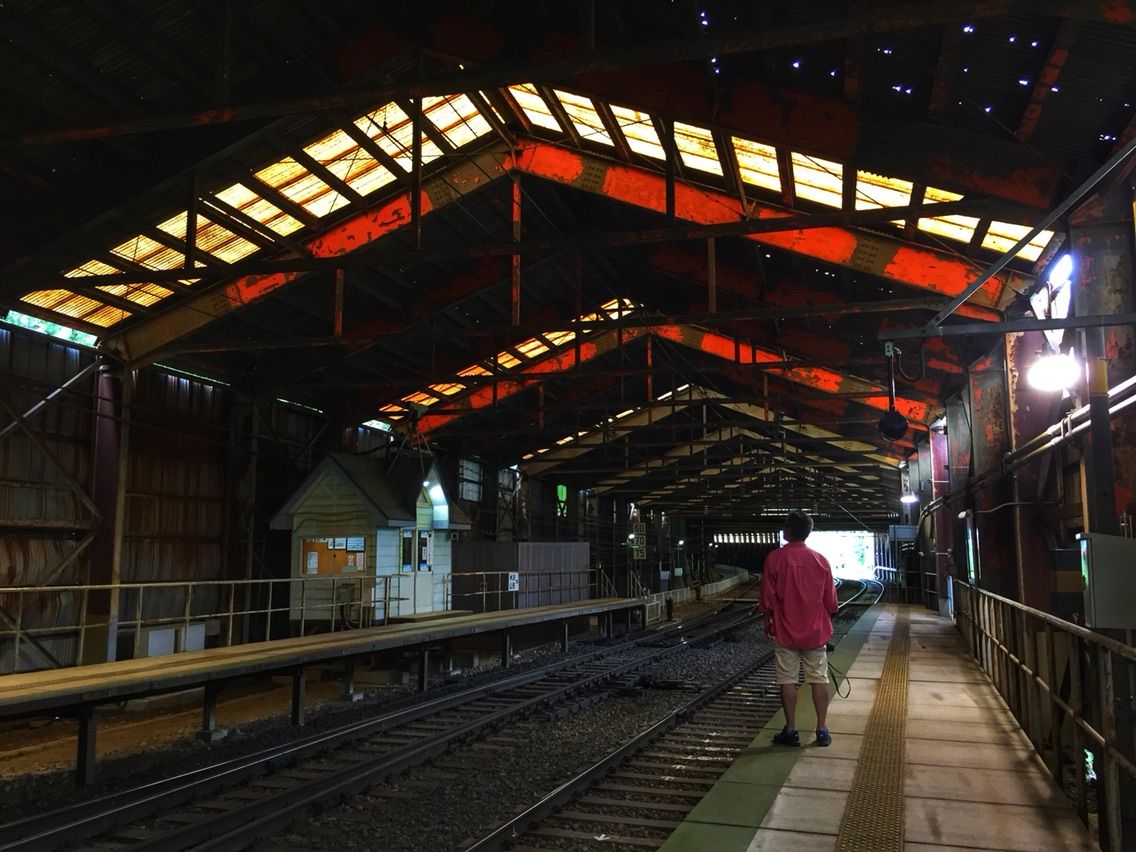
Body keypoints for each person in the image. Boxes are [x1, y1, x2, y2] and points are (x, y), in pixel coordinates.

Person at [760, 510, 839, 747]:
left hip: (785, 631)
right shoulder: (821, 560)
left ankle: (791, 730)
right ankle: (822, 729)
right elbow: (831, 604)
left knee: (787, 680)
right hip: (816, 632)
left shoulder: (774, 558)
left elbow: (767, 597)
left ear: (790, 530)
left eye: (785, 526)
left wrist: (768, 620)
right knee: (819, 679)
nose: (783, 529)